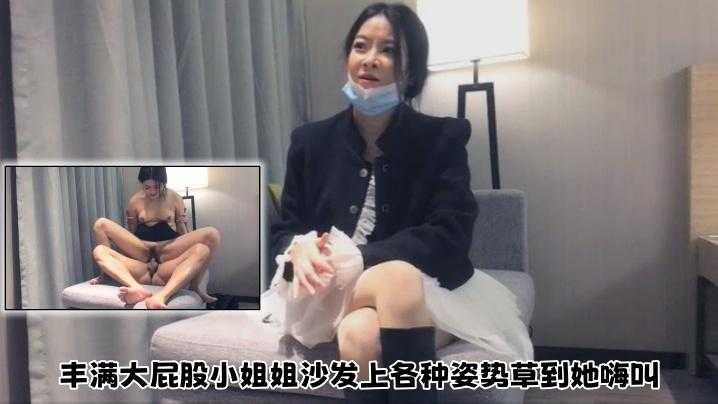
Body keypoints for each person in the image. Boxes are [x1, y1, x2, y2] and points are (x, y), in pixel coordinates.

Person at [269, 3, 532, 403]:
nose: (370, 59)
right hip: (325, 285)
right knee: (397, 279)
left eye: (388, 50)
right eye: (360, 46)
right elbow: (284, 231)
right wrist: (297, 249)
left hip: (421, 286)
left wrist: (361, 258)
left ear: (411, 70)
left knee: (363, 331)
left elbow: (451, 235)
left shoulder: (442, 138)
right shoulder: (309, 141)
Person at [91, 166, 220, 309]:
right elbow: (131, 233)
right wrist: (121, 260)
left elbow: (183, 233)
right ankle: (128, 284)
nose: (152, 191)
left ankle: (194, 286)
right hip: (143, 251)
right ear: (142, 184)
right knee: (100, 227)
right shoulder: (135, 201)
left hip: (167, 250)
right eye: (147, 187)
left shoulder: (174, 198)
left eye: (157, 187)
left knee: (211, 235)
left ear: (163, 183)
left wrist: (184, 225)